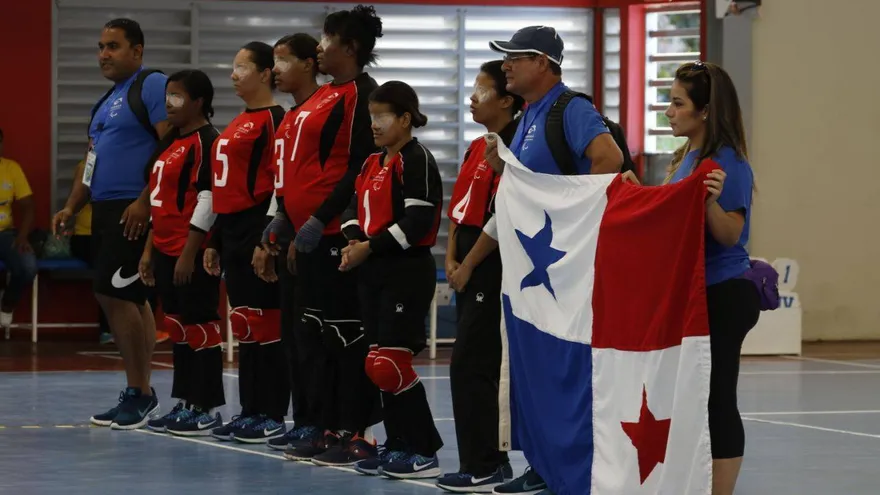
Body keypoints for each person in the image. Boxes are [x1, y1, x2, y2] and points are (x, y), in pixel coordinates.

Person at [484, 26, 624, 494]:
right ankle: (544, 462)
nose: (505, 65)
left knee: (567, 364)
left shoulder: (571, 108)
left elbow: (609, 159)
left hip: (568, 267)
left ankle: (571, 465)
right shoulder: (527, 115)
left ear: (543, 63)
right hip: (536, 271)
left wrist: (570, 219)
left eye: (514, 58)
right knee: (535, 364)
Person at [263, 4, 383, 465]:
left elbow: (358, 167)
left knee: (345, 335)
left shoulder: (361, 95)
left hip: (336, 235)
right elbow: (295, 170)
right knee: (308, 337)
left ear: (349, 48)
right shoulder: (317, 100)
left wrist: (318, 220)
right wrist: (283, 220)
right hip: (303, 236)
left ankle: (357, 429)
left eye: (327, 40)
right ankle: (319, 422)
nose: (319, 47)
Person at [53, 18, 169, 430]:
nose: (104, 54)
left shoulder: (151, 85)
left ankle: (140, 393)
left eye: (114, 46)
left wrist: (145, 201)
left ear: (136, 51)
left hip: (132, 209)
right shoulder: (103, 103)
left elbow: (170, 146)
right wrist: (70, 207)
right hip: (103, 209)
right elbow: (91, 163)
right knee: (126, 298)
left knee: (115, 296)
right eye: (100, 47)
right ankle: (140, 391)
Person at [661, 61, 758, 495]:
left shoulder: (728, 163)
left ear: (704, 112)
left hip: (725, 293)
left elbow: (730, 233)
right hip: (696, 294)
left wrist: (708, 204)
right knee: (694, 399)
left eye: (678, 103)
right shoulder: (687, 159)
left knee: (719, 397)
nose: (669, 111)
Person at [339, 80, 444, 479]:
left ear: (404, 118)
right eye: (371, 118)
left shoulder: (415, 159)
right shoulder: (372, 162)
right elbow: (352, 208)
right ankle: (397, 445)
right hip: (373, 269)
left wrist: (371, 247)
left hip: (405, 269)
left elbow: (417, 221)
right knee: (376, 363)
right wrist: (354, 242)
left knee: (391, 363)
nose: (376, 125)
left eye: (383, 117)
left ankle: (423, 450)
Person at [436, 61, 523, 493]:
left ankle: (488, 461)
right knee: (466, 364)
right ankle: (481, 459)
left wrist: (469, 264)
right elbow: (460, 210)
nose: (472, 98)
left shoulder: (515, 147)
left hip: (493, 267)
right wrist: (451, 256)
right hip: (465, 262)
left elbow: (500, 215)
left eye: (481, 91)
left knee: (473, 364)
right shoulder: (476, 147)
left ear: (507, 99)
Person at [203, 41, 289, 444]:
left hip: (258, 228)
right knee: (244, 323)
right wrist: (215, 238)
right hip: (232, 229)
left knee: (266, 323)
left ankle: (271, 412)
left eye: (242, 68)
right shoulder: (239, 120)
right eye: (232, 67)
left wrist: (267, 237)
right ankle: (249, 410)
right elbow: (225, 187)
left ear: (266, 72)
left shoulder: (276, 118)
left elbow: (278, 184)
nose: (233, 75)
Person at [136, 69, 226, 436]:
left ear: (199, 102)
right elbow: (158, 203)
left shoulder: (209, 142)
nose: (169, 103)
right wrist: (148, 251)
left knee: (200, 325)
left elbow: (210, 199)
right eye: (167, 95)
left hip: (192, 251)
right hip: (163, 248)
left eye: (177, 96)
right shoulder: (170, 142)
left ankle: (205, 406)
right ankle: (184, 402)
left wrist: (190, 252)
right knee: (176, 327)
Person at [252, 32, 322, 451]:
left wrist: (312, 226)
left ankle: (327, 424)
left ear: (309, 64)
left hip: (319, 239)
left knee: (316, 339)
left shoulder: (323, 109)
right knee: (294, 337)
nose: (274, 69)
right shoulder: (292, 118)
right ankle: (304, 419)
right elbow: (285, 182)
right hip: (289, 232)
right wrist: (275, 227)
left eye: (282, 60)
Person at [0, 128, 37, 331]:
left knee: (28, 266)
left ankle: (7, 303)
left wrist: (23, 236)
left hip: (6, 234)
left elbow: (29, 206)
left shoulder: (11, 168)